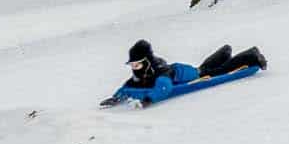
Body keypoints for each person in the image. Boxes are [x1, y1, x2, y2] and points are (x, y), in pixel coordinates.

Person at [102, 38, 266, 107]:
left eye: (137, 65)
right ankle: (223, 53)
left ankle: (251, 55)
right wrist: (117, 97)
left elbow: (164, 88)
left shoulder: (159, 72)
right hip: (186, 70)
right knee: (204, 68)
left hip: (188, 75)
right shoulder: (143, 73)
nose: (134, 68)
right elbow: (129, 86)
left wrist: (148, 100)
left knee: (215, 72)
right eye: (133, 65)